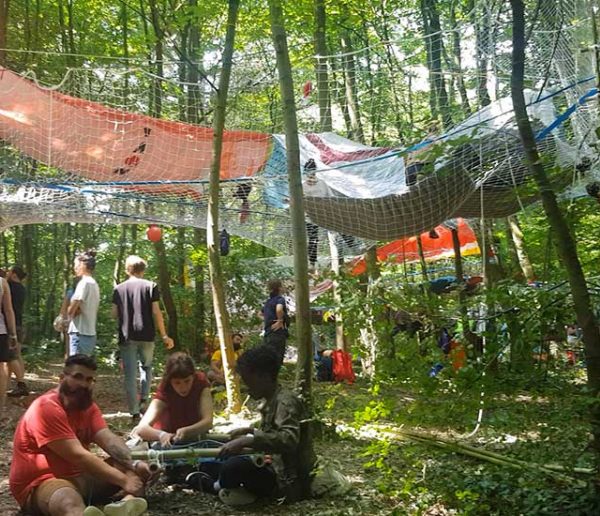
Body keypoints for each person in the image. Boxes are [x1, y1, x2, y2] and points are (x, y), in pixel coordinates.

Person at [9, 354, 154, 516]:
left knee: (146, 461)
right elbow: (78, 455)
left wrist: (134, 464)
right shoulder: (45, 408)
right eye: (78, 377)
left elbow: (108, 439)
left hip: (81, 478)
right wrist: (124, 480)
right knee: (68, 499)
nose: (84, 384)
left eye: (89, 380)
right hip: (42, 483)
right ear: (61, 378)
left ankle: (125, 504)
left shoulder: (88, 407)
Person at [216, 345, 315, 506]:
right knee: (221, 460)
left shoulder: (285, 402)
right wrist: (250, 431)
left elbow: (289, 440)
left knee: (232, 467)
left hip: (285, 479)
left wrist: (248, 440)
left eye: (248, 381)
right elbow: (272, 433)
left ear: (264, 376)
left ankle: (217, 487)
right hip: (271, 465)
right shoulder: (271, 400)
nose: (246, 386)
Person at [112, 255, 174, 420]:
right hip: (147, 335)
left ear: (127, 270)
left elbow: (114, 314)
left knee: (130, 375)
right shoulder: (151, 286)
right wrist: (164, 335)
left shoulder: (118, 289)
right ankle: (144, 399)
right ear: (143, 270)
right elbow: (156, 312)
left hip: (127, 336)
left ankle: (133, 412)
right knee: (146, 367)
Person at [132, 352, 213, 447]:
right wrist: (162, 435)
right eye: (177, 383)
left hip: (196, 440)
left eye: (187, 381)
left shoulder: (201, 384)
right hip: (168, 443)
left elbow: (208, 421)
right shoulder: (166, 390)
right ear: (170, 381)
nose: (183, 387)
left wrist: (187, 431)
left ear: (193, 377)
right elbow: (142, 428)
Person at [68, 250, 100, 356]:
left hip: (79, 332)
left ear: (82, 265)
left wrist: (66, 316)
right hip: (90, 333)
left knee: (75, 368)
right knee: (84, 369)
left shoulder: (84, 283)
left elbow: (73, 308)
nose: (75, 268)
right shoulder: (94, 283)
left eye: (76, 264)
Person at [6, 265, 29, 397]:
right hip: (19, 325)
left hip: (12, 326)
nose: (7, 273)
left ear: (14, 274)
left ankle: (21, 384)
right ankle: (8, 384)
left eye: (10, 271)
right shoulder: (21, 288)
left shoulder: (10, 286)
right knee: (16, 355)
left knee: (10, 356)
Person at [0, 274, 19, 417]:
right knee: (1, 367)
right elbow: (8, 310)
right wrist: (13, 334)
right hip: (1, 331)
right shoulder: (2, 283)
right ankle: (1, 406)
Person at [262, 279, 289, 365]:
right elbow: (279, 309)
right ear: (279, 288)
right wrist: (280, 320)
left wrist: (268, 321)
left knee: (269, 357)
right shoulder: (280, 299)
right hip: (278, 332)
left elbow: (259, 313)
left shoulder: (268, 302)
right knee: (277, 356)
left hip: (268, 332)